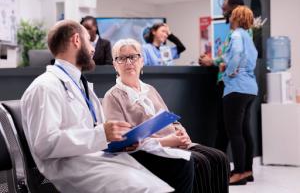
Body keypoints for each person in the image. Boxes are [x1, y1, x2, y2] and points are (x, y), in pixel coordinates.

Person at [20, 20, 191, 193]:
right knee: (152, 188)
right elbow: (44, 144)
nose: (93, 49)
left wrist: (119, 139)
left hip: (99, 158)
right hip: (75, 168)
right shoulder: (45, 87)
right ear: (77, 40)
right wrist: (103, 134)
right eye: (89, 42)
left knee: (174, 173)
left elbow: (90, 131)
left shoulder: (80, 85)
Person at [102, 38, 230, 193]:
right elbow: (122, 140)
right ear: (115, 65)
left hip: (173, 142)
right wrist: (166, 141)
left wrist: (180, 131)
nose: (128, 62)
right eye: (122, 58)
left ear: (141, 61)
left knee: (219, 158)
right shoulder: (113, 96)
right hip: (147, 151)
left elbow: (169, 118)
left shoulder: (149, 89)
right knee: (200, 162)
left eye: (133, 57)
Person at [199, 0, 245, 154]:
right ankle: (235, 170)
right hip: (231, 85)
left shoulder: (239, 33)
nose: (223, 13)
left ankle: (236, 171)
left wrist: (213, 62)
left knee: (230, 131)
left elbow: (234, 58)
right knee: (228, 130)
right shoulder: (236, 33)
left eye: (225, 9)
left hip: (231, 85)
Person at [222, 6, 258, 185]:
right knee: (245, 131)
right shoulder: (249, 38)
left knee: (235, 132)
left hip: (236, 88)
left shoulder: (236, 34)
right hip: (250, 89)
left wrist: (228, 72)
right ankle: (248, 170)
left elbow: (235, 54)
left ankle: (238, 173)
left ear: (235, 17)